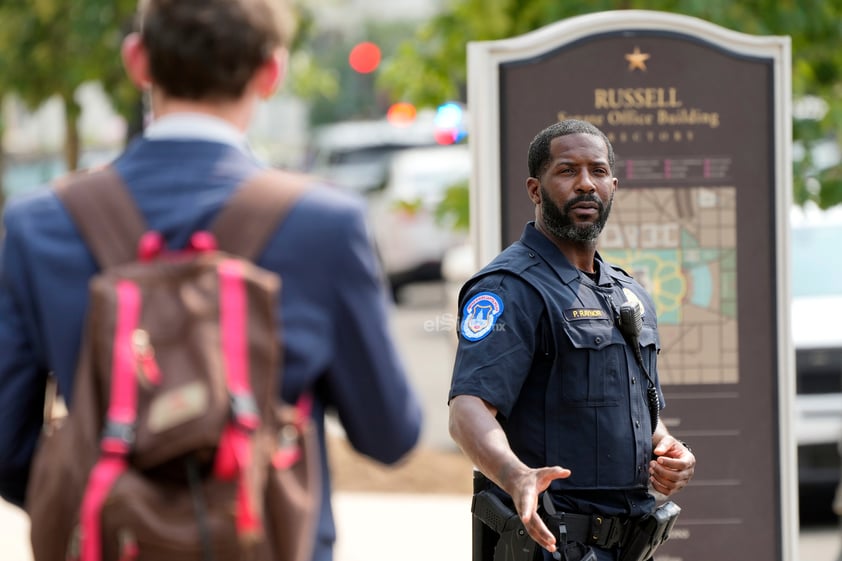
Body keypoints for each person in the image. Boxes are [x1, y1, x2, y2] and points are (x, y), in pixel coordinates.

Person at [0, 1, 422, 560]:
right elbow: (389, 435)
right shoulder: (325, 224)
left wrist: (119, 501)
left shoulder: (39, 225)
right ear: (272, 72)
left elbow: (6, 445)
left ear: (137, 61)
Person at [448, 119, 696, 561]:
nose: (585, 184)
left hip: (630, 545)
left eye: (597, 172)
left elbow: (636, 410)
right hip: (549, 543)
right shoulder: (510, 289)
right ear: (535, 189)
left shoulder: (628, 293)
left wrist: (667, 449)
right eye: (567, 171)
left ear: (613, 185)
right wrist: (514, 474)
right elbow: (468, 408)